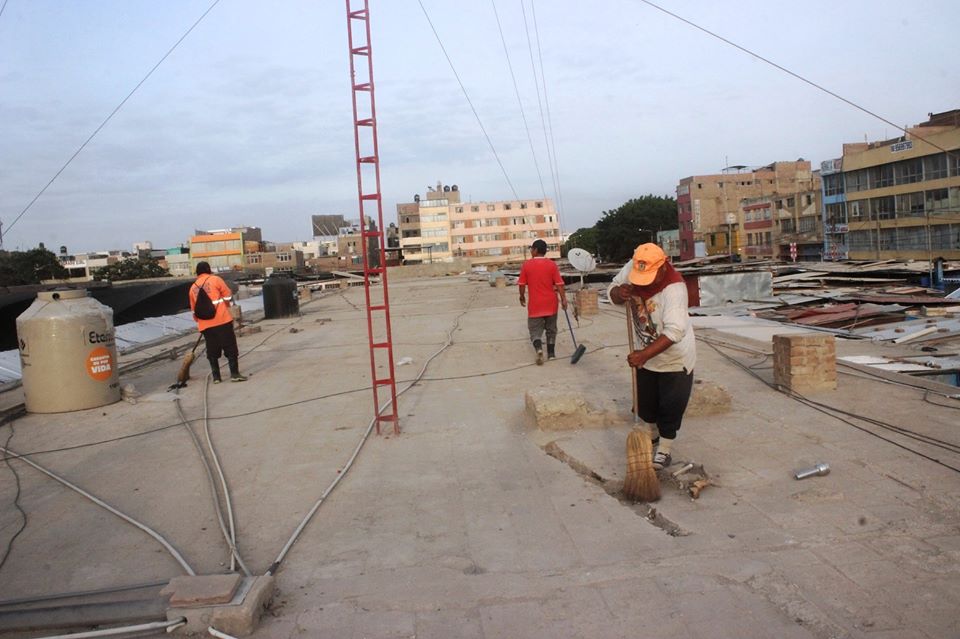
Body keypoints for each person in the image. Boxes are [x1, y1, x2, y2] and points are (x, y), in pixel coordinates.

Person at [607, 243, 695, 469]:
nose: (641, 282)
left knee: (670, 406)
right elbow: (613, 289)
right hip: (645, 353)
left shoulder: (674, 289)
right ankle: (653, 435)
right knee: (646, 404)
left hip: (674, 358)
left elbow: (675, 331)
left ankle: (664, 450)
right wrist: (618, 293)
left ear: (663, 268)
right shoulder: (635, 266)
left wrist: (643, 355)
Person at [190, 261, 247, 383]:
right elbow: (227, 295)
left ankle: (216, 377)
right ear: (208, 269)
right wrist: (225, 305)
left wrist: (201, 321)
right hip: (222, 320)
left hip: (205, 325)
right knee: (230, 347)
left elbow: (194, 310)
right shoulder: (215, 279)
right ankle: (235, 374)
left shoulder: (193, 287)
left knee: (212, 349)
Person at [518, 239, 567, 365]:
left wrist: (522, 296)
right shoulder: (552, 265)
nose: (530, 251)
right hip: (551, 303)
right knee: (551, 329)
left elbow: (522, 284)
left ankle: (539, 349)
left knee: (534, 331)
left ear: (535, 250)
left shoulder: (526, 265)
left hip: (535, 305)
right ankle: (551, 354)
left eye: (531, 249)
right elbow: (559, 284)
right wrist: (564, 300)